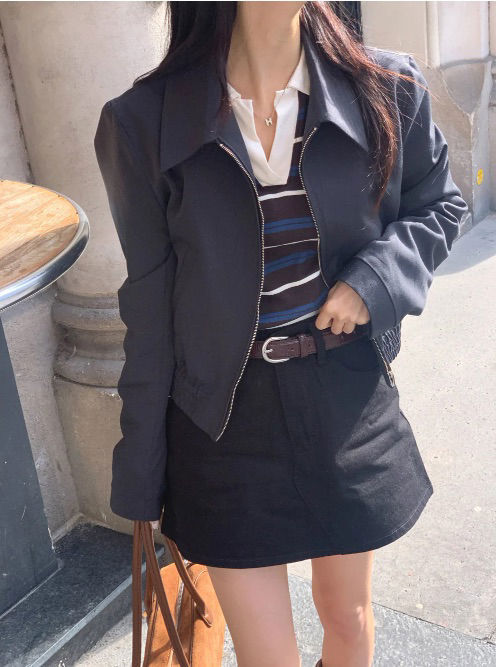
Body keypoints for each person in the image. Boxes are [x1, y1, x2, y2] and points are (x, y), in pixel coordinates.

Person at [94, 2, 468, 666]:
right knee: (267, 655)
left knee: (348, 619)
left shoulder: (387, 88)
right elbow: (149, 313)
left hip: (345, 398)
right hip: (222, 423)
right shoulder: (143, 122)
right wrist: (140, 478)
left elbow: (440, 204)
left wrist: (374, 281)